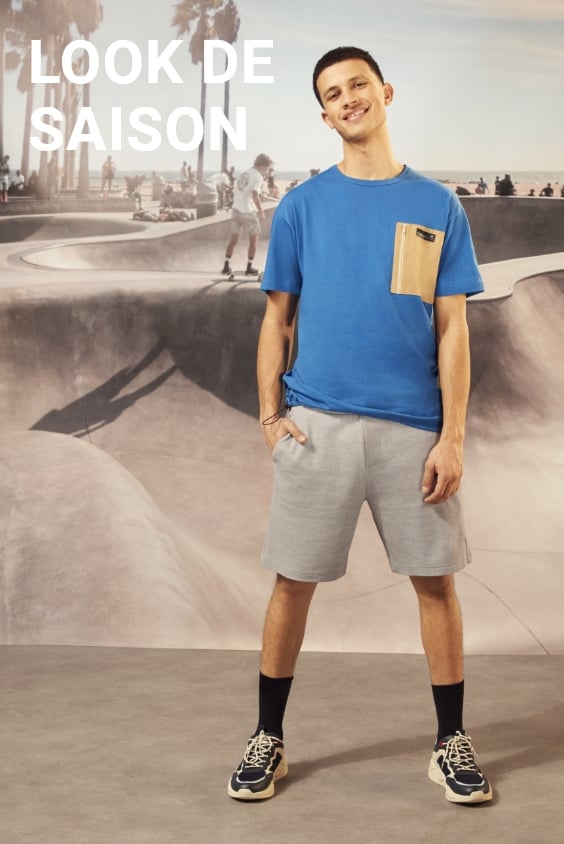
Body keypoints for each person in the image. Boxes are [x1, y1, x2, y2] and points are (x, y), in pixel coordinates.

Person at [228, 46, 493, 806]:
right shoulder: (302, 207)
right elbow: (277, 320)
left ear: (385, 92)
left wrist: (452, 437)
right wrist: (271, 415)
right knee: (292, 586)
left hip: (414, 432)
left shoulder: (437, 206)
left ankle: (450, 742)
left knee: (436, 586)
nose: (348, 98)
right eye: (333, 93)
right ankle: (268, 737)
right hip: (318, 428)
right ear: (324, 114)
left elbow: (453, 330)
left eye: (358, 85)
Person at [222, 153, 272, 277]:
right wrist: (261, 211)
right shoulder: (258, 176)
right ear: (262, 165)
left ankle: (226, 266)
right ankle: (249, 268)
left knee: (234, 239)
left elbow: (238, 191)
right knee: (254, 239)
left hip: (236, 210)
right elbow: (255, 195)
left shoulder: (241, 173)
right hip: (248, 211)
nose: (267, 170)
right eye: (267, 167)